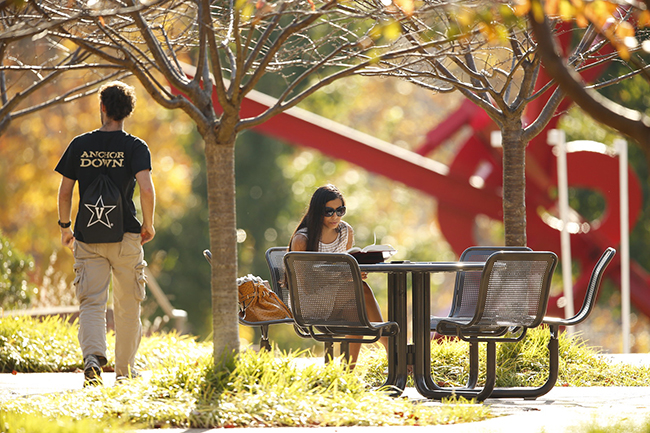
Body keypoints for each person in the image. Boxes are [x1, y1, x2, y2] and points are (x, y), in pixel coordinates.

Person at [55, 81, 156, 386]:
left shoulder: (79, 144)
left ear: (102, 108)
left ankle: (93, 359)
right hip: (126, 236)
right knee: (128, 306)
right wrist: (148, 224)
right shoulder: (136, 147)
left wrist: (65, 227)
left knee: (91, 303)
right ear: (128, 111)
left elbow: (64, 193)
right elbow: (147, 189)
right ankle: (124, 374)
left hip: (88, 237)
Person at [289, 184, 388, 366]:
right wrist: (344, 277)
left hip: (339, 297)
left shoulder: (345, 231)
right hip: (311, 302)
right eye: (329, 211)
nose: (335, 216)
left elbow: (347, 266)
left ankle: (347, 373)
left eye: (340, 210)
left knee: (355, 311)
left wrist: (355, 272)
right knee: (361, 290)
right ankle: (390, 344)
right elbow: (304, 284)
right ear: (317, 211)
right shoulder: (302, 240)